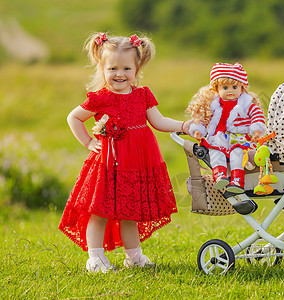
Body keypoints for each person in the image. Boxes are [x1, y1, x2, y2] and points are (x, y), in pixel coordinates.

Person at [59, 32, 190, 273]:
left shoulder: (142, 95)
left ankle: (134, 256)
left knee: (130, 211)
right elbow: (74, 117)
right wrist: (88, 142)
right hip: (109, 162)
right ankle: (95, 259)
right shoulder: (101, 98)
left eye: (126, 68)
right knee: (100, 210)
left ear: (137, 68)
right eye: (113, 68)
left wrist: (184, 126)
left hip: (137, 161)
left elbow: (159, 121)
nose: (119, 74)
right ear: (103, 68)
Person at [186, 62, 266, 193]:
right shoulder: (213, 105)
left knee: (237, 155)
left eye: (234, 87)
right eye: (225, 87)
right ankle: (220, 176)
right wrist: (198, 129)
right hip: (217, 138)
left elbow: (257, 115)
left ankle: (237, 181)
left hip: (239, 139)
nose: (230, 91)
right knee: (215, 153)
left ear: (242, 88)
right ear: (217, 89)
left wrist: (256, 129)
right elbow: (204, 119)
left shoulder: (246, 103)